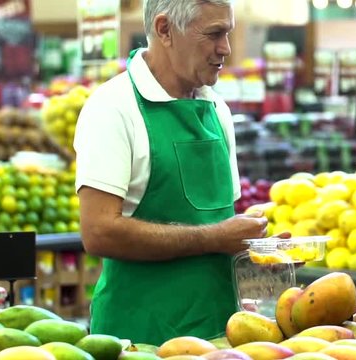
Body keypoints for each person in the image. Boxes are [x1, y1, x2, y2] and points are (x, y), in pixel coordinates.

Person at [74, 0, 271, 344]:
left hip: (221, 335)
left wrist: (255, 242)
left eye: (228, 33)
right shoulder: (113, 108)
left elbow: (220, 222)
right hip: (139, 339)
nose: (225, 48)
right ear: (165, 30)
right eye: (214, 34)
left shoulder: (217, 111)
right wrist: (215, 237)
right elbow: (98, 231)